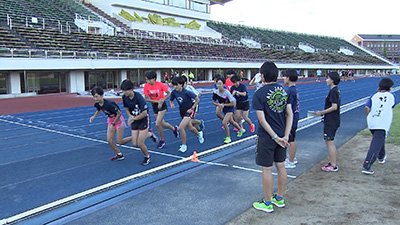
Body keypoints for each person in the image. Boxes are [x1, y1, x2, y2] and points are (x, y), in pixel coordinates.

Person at [252, 61, 293, 213]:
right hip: (282, 135)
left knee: (267, 169)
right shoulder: (284, 91)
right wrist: (285, 135)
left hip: (267, 136)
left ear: (262, 75)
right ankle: (280, 198)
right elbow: (290, 114)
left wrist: (275, 137)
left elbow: (262, 120)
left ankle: (268, 202)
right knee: (281, 166)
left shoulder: (259, 93)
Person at [362, 78, 395, 175]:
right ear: (390, 88)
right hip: (382, 123)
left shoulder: (374, 96)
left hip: (372, 122)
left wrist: (368, 115)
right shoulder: (392, 96)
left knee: (379, 139)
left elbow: (366, 107)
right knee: (376, 144)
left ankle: (381, 156)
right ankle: (367, 165)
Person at [90, 86, 132, 161]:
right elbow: (99, 110)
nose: (95, 99)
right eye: (94, 97)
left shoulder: (109, 104)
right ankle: (119, 154)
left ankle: (134, 137)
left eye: (97, 96)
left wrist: (114, 123)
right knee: (109, 140)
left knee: (120, 141)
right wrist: (94, 116)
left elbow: (119, 113)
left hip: (118, 120)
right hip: (110, 119)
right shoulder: (97, 104)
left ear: (102, 95)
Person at [143, 71, 178, 149]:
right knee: (162, 123)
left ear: (154, 79)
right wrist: (156, 101)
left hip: (162, 105)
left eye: (149, 80)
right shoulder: (146, 86)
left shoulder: (160, 85)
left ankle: (162, 140)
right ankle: (174, 128)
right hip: (155, 104)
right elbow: (146, 98)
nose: (148, 81)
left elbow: (169, 93)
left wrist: (162, 100)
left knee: (157, 124)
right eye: (147, 80)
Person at [121, 80, 152, 165]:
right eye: (123, 90)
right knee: (135, 144)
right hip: (134, 119)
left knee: (140, 143)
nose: (124, 92)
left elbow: (144, 113)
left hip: (143, 120)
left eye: (126, 90)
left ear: (131, 89)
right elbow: (126, 108)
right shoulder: (124, 97)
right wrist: (130, 116)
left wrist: (134, 119)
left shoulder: (138, 98)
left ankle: (147, 157)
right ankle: (150, 134)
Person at [170, 77, 204, 152]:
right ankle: (199, 134)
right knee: (190, 128)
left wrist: (192, 108)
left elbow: (197, 99)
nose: (175, 87)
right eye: (174, 85)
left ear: (181, 84)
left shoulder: (187, 92)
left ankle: (184, 145)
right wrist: (171, 104)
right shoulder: (174, 92)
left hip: (189, 110)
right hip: (182, 110)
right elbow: (171, 99)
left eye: (176, 85)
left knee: (181, 128)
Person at [316, 72, 341, 172]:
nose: (326, 80)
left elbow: (334, 107)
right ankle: (332, 162)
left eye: (328, 78)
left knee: (330, 142)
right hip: (331, 120)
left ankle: (333, 164)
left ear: (332, 80)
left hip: (331, 120)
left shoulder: (334, 91)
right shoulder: (334, 91)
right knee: (328, 141)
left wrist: (321, 112)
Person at [213, 76, 241, 144]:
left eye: (220, 84)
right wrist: (218, 105)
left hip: (230, 108)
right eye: (217, 84)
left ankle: (228, 137)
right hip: (224, 108)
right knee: (231, 121)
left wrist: (223, 105)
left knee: (224, 123)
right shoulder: (216, 92)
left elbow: (233, 104)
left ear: (223, 84)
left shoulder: (227, 93)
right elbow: (213, 102)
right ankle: (240, 129)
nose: (218, 85)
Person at [282, 70, 300, 169]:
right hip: (295, 116)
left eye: (284, 77)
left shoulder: (289, 91)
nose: (283, 79)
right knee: (292, 138)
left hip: (292, 118)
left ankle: (291, 161)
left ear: (288, 78)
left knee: (291, 139)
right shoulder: (294, 89)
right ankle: (292, 157)